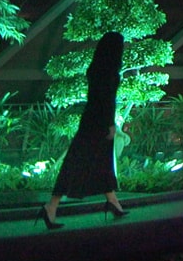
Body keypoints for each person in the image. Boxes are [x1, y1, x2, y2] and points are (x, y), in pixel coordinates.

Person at [36, 31, 129, 229]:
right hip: (100, 122)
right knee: (85, 161)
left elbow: (97, 99)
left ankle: (112, 203)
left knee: (85, 160)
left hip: (90, 120)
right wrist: (110, 124)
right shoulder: (109, 72)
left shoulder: (96, 68)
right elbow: (107, 100)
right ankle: (52, 206)